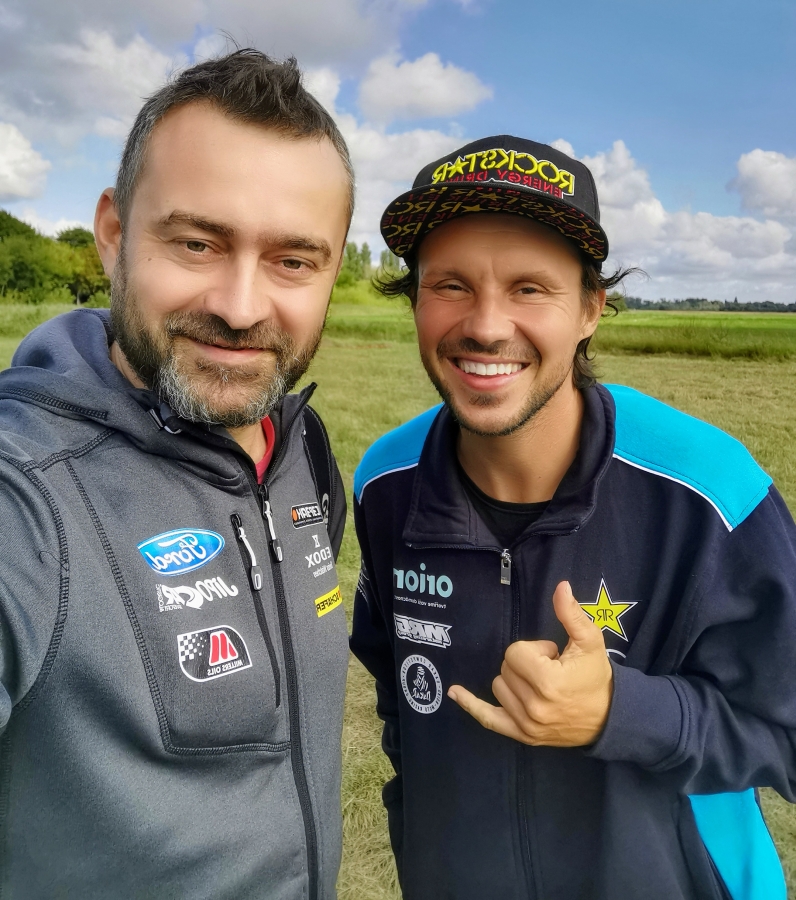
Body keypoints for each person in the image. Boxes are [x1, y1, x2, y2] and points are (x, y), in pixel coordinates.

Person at [350, 135, 796, 900]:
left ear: (591, 308)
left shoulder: (710, 491)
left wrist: (624, 711)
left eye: (530, 288)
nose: (487, 325)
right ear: (415, 299)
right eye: (450, 284)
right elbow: (402, 705)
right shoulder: (386, 482)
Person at [0, 50, 352, 899]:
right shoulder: (27, 492)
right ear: (113, 233)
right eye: (197, 243)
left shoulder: (301, 448)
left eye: (293, 261)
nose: (240, 306)